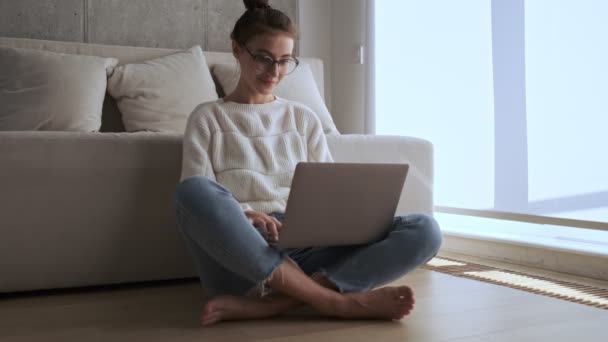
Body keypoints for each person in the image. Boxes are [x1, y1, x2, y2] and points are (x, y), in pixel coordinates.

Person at [172, 0, 442, 327]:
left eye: (285, 61)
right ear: (236, 49)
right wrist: (244, 215)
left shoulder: (303, 119)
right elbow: (201, 200)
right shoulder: (207, 117)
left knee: (425, 229)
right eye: (263, 59)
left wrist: (346, 220)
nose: (274, 72)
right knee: (192, 192)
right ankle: (333, 301)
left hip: (306, 246)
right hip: (243, 254)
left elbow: (329, 196)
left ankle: (274, 305)